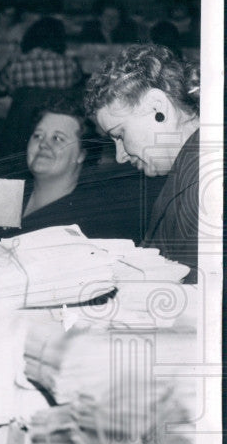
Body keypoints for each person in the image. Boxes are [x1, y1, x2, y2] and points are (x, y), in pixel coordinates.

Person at [84, 43, 201, 282]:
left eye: (119, 135)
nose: (120, 156)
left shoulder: (203, 185)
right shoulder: (190, 169)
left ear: (157, 107)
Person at [0, 95, 151, 244]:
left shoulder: (87, 222)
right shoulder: (3, 197)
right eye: (38, 135)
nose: (44, 143)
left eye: (58, 139)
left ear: (81, 154)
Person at [0, 16, 83, 97]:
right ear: (60, 39)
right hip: (56, 113)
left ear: (30, 36)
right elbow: (79, 87)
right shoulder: (70, 63)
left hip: (24, 114)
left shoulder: (15, 63)